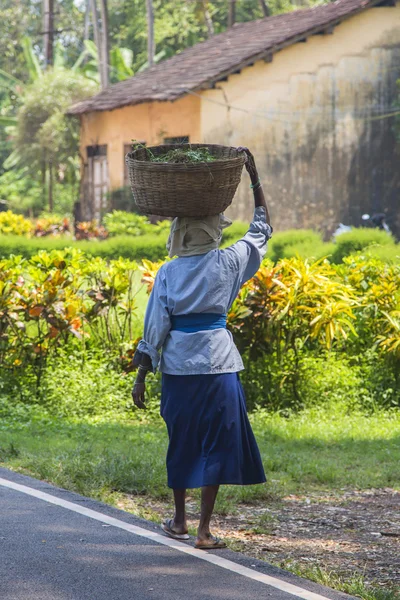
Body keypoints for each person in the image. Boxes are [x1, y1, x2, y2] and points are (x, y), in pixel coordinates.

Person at [132, 147, 273, 550]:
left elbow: (155, 327)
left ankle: (178, 520)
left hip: (178, 369)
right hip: (219, 366)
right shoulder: (229, 263)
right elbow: (261, 230)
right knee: (217, 444)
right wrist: (254, 177)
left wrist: (142, 375)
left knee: (183, 441)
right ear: (214, 231)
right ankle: (204, 530)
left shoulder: (169, 272)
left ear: (178, 234)